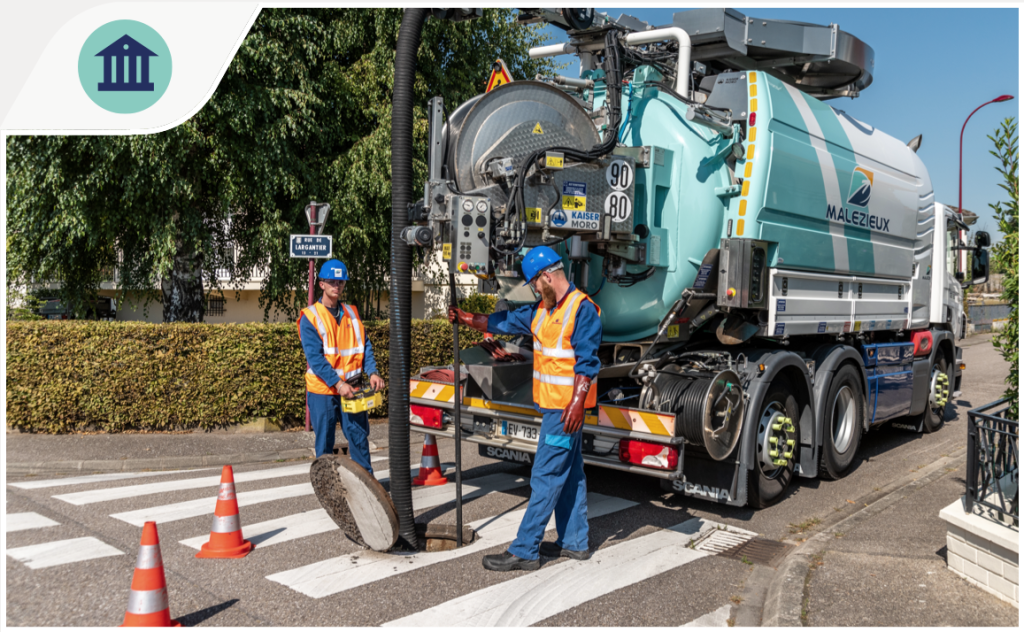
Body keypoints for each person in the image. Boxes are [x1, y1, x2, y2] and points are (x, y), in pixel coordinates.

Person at [448, 245, 602, 571]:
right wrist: (466, 318)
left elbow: (587, 363)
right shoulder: (540, 311)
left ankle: (525, 549)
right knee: (570, 475)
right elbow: (501, 322)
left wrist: (577, 402)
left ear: (547, 276)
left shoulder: (582, 310)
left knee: (545, 477)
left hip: (564, 413)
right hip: (555, 409)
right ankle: (575, 542)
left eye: (534, 283)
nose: (533, 290)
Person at [298, 259, 384, 473]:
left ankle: (366, 485)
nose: (337, 286)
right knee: (324, 445)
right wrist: (338, 384)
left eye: (341, 282)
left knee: (358, 438)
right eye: (332, 282)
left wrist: (372, 372)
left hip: (352, 388)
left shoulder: (352, 313)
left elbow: (364, 346)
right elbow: (315, 359)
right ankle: (326, 486)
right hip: (323, 391)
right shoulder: (310, 317)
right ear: (322, 284)